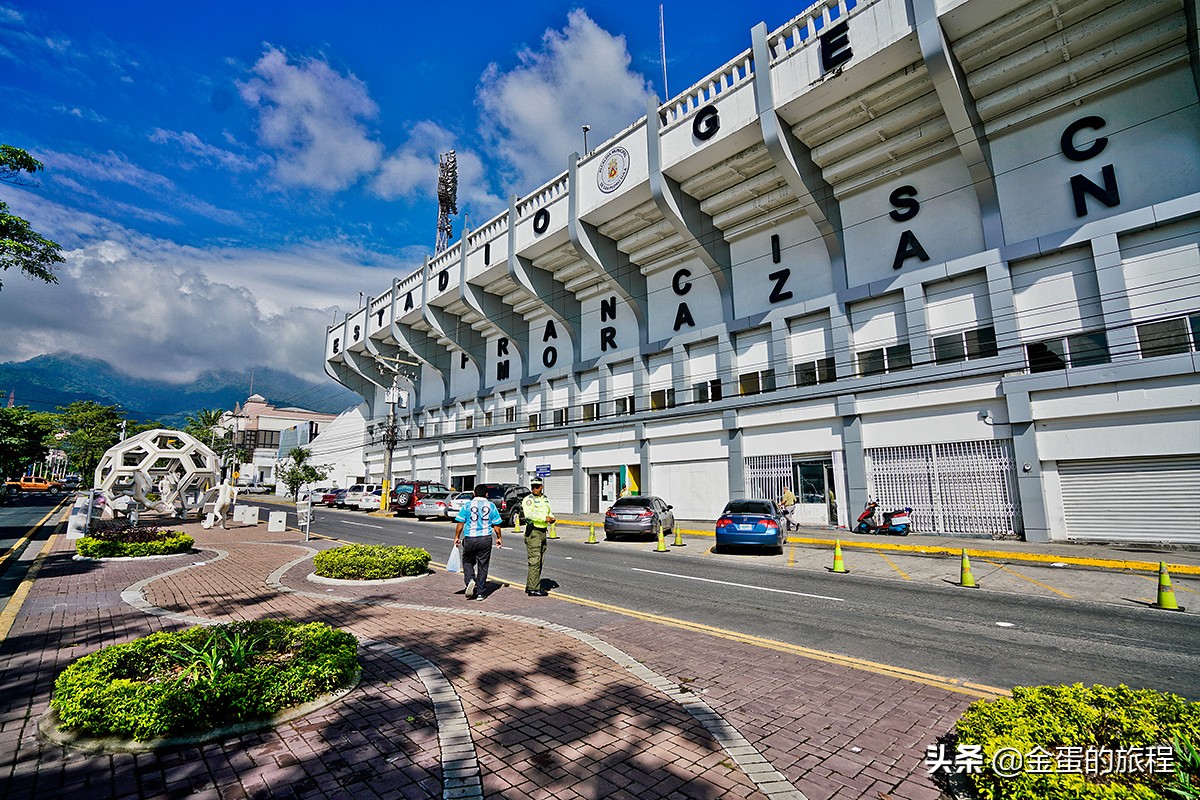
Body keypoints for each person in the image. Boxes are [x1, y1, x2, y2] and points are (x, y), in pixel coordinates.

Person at [453, 485, 503, 601]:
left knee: (467, 561)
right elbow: (496, 524)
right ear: (486, 494)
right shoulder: (491, 506)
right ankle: (481, 593)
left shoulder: (467, 505)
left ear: (474, 494)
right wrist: (499, 538)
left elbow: (460, 523)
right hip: (485, 538)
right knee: (483, 565)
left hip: (470, 537)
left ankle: (470, 579)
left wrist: (457, 537)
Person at [521, 478, 555, 596]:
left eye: (537, 486)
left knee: (540, 560)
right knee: (534, 560)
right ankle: (533, 588)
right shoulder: (528, 500)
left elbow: (548, 511)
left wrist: (551, 517)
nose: (534, 489)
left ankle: (531, 584)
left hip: (542, 531)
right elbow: (529, 515)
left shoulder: (544, 499)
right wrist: (544, 518)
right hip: (533, 531)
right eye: (533, 486)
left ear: (542, 487)